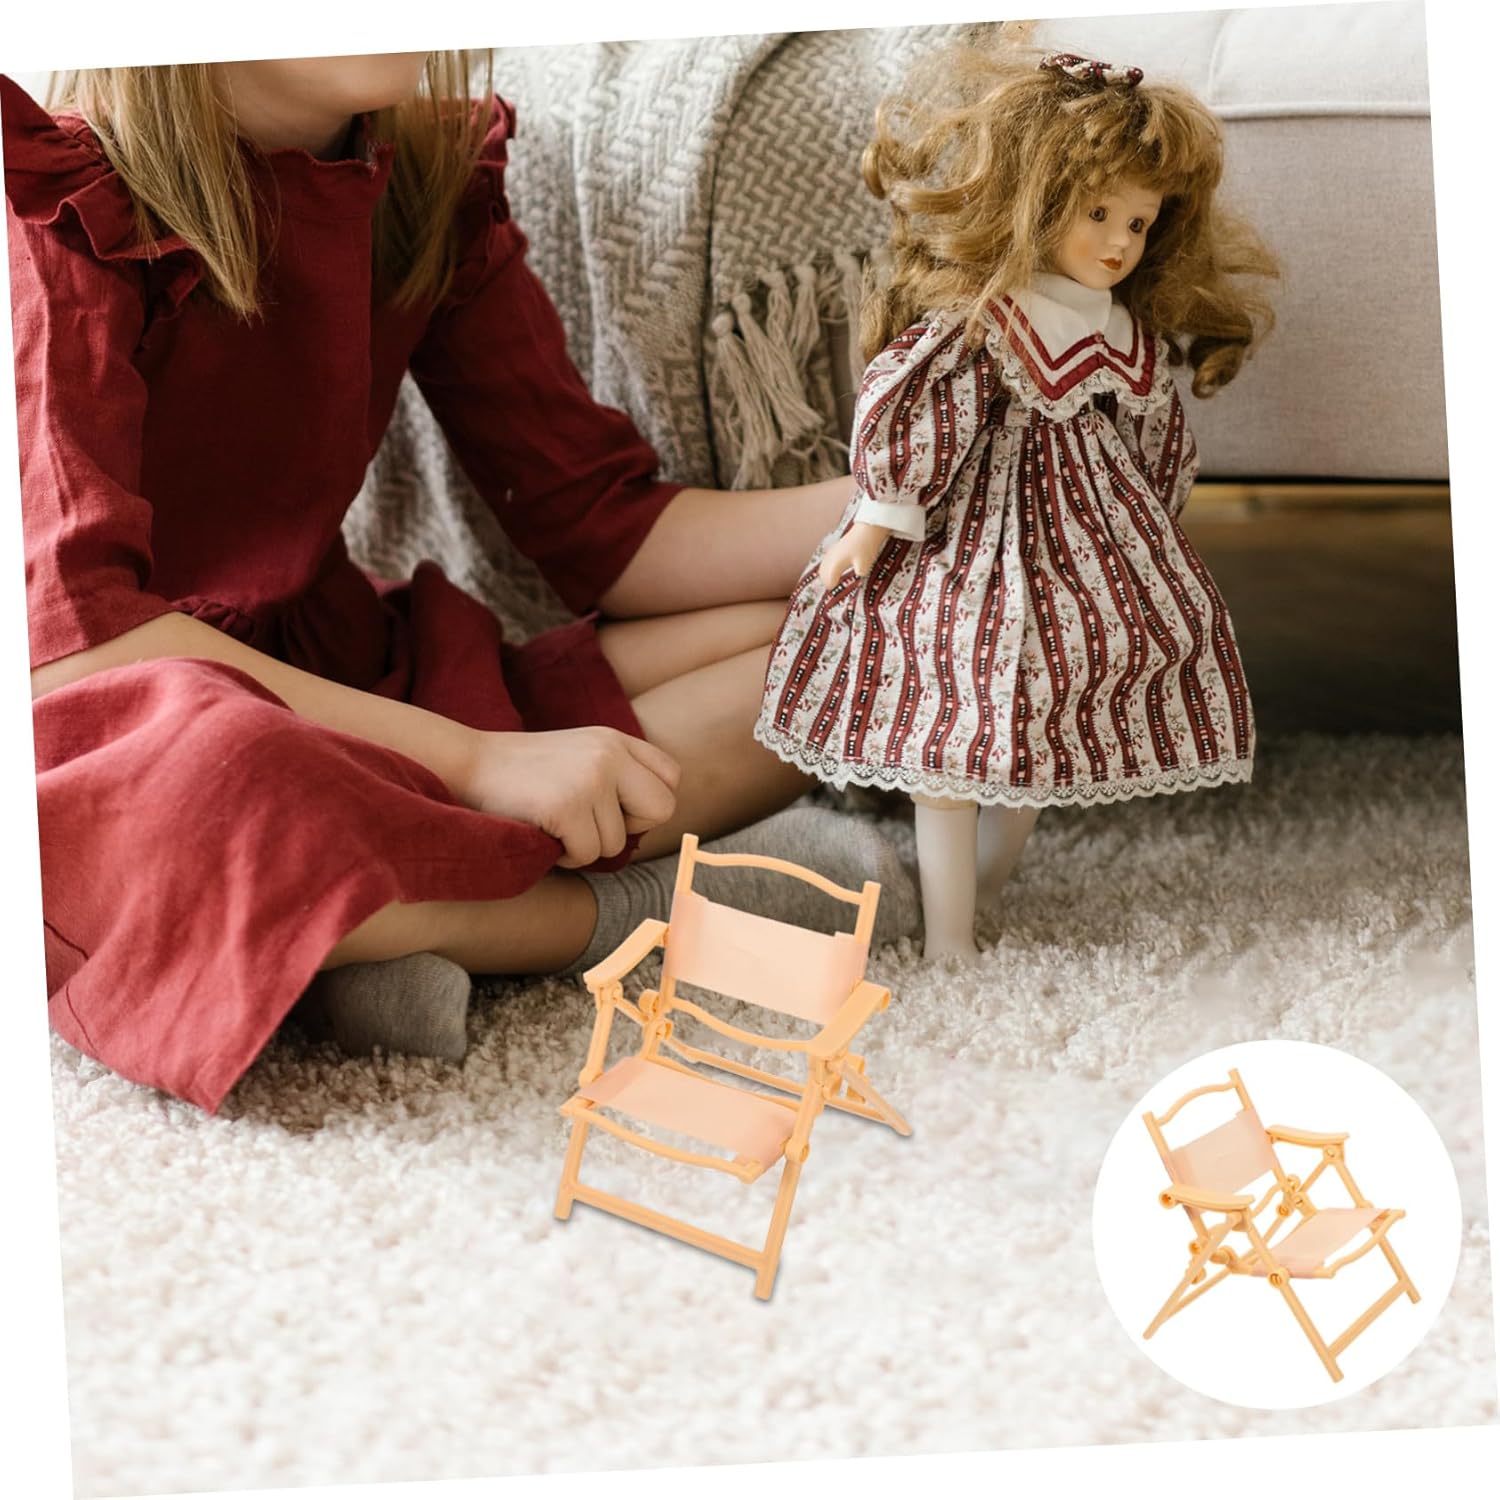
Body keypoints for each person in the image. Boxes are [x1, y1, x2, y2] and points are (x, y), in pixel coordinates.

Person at [6, 52, 919, 1112]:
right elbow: (79, 646)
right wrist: (477, 762)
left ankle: (364, 937)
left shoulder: (430, 178)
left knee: (863, 638)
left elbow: (603, 528)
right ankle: (624, 918)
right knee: (220, 776)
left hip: (346, 681)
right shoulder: (56, 207)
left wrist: (905, 495)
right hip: (122, 731)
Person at [753, 48, 1279, 960]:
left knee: (1041, 728)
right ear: (1036, 202)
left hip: (1079, 548)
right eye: (1097, 214)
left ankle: (981, 893)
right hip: (969, 545)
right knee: (950, 750)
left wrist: (1151, 527)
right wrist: (880, 518)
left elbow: (1154, 436)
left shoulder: (1122, 333)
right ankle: (949, 935)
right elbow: (917, 409)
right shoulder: (987, 321)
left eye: (1139, 222)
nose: (1118, 242)